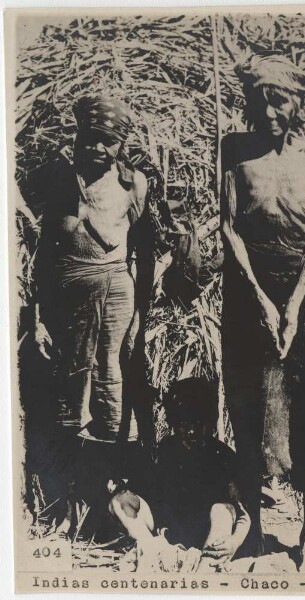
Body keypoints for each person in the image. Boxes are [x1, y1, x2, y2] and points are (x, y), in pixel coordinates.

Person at [221, 55, 305, 563]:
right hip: (249, 287)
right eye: (261, 100)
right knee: (249, 401)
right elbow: (229, 228)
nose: (270, 112)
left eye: (280, 100)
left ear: (296, 104)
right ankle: (256, 526)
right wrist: (265, 302)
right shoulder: (234, 151)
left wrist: (292, 305)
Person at [27, 95, 156, 532]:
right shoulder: (61, 180)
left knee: (110, 382)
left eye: (109, 142)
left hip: (116, 290)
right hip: (67, 298)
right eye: (91, 139)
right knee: (69, 387)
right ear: (78, 136)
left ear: (121, 145)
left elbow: (143, 250)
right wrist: (39, 316)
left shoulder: (133, 184)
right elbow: (44, 254)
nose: (99, 149)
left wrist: (141, 309)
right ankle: (67, 502)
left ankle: (111, 497)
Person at [109, 378, 250, 571]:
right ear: (173, 423)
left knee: (223, 510)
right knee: (120, 501)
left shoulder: (223, 456)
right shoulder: (163, 451)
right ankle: (151, 549)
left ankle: (207, 564)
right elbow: (138, 494)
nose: (191, 431)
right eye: (184, 424)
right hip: (168, 530)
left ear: (209, 422)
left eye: (198, 423)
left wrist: (234, 542)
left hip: (206, 531)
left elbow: (242, 514)